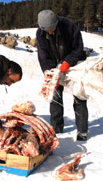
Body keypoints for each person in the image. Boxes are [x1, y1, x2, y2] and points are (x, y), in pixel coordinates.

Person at [36, 9, 88, 141]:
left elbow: (78, 48)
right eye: (46, 30)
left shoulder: (69, 25)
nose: (49, 32)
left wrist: (67, 63)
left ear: (56, 22)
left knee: (79, 95)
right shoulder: (40, 34)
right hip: (54, 64)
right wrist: (50, 74)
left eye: (51, 29)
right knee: (55, 95)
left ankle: (82, 131)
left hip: (75, 63)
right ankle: (56, 128)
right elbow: (43, 56)